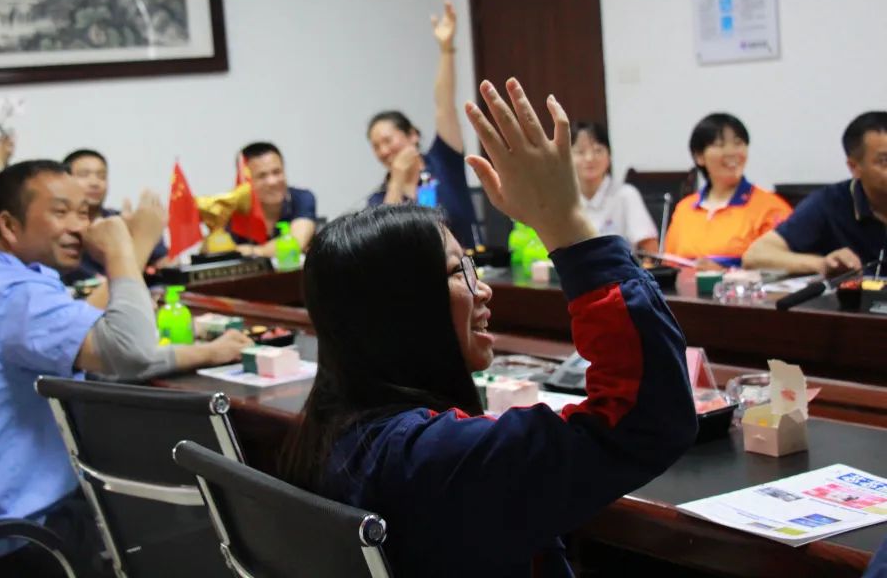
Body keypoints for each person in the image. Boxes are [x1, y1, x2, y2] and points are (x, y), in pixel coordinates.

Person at [281, 78, 697, 577]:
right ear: (399, 310)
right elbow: (649, 418)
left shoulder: (338, 431)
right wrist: (567, 223)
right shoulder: (433, 459)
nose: (483, 291)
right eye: (458, 272)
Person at [0, 160, 251, 575]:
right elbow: (129, 351)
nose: (78, 227)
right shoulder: (15, 294)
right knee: (175, 519)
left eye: (83, 213)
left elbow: (99, 346)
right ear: (9, 225)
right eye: (60, 212)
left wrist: (206, 353)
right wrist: (122, 250)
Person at [366, 1, 475, 247]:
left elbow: (444, 105)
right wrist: (396, 181)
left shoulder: (443, 161)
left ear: (413, 134)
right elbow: (385, 242)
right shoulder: (379, 198)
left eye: (388, 140)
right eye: (376, 146)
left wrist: (446, 50)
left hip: (466, 263)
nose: (384, 150)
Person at [744, 111, 887, 276]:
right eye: (884, 161)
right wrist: (823, 264)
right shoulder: (830, 203)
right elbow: (755, 256)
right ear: (854, 167)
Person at [664, 113, 792, 267]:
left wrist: (726, 269)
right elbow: (669, 264)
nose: (732, 152)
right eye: (720, 145)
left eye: (738, 143)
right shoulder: (684, 209)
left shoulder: (771, 208)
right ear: (699, 157)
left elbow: (782, 266)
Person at [62, 148, 168, 281]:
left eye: (102, 176)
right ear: (64, 180)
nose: (95, 183)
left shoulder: (121, 221)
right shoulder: (60, 229)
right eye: (84, 175)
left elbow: (161, 263)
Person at [571, 121, 658, 252]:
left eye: (598, 150)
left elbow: (650, 249)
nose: (589, 158)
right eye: (580, 152)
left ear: (609, 156)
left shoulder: (626, 195)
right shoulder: (563, 199)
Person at [232, 142, 318, 257]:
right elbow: (220, 252)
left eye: (277, 172)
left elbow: (296, 244)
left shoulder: (301, 198)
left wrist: (254, 251)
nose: (272, 182)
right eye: (262, 176)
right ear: (245, 179)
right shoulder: (233, 209)